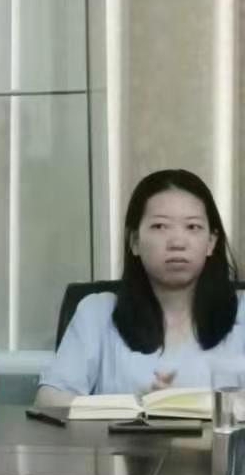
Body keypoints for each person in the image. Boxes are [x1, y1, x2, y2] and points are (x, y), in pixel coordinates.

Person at [37, 169, 245, 403]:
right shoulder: (97, 312)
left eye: (192, 227)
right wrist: (137, 405)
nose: (177, 242)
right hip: (123, 429)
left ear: (211, 243)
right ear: (134, 241)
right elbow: (49, 401)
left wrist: (192, 405)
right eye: (160, 226)